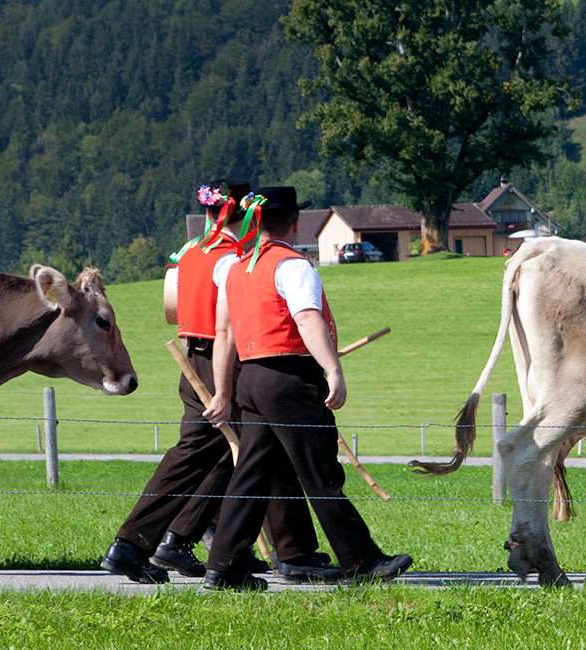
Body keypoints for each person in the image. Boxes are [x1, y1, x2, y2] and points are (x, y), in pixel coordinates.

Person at [100, 179, 339, 585]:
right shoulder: (232, 258)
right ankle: (137, 544)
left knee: (238, 454)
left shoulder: (190, 252)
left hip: (193, 356)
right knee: (229, 453)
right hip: (223, 360)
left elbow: (172, 307)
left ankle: (178, 541)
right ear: (242, 214)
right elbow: (230, 324)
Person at [201, 186, 412, 591]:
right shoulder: (294, 266)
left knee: (250, 474)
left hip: (251, 379)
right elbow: (307, 319)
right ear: (295, 224)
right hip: (290, 378)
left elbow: (223, 333)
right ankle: (361, 561)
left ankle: (223, 566)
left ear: (255, 223)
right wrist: (333, 369)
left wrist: (224, 393)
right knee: (320, 472)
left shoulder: (233, 269)